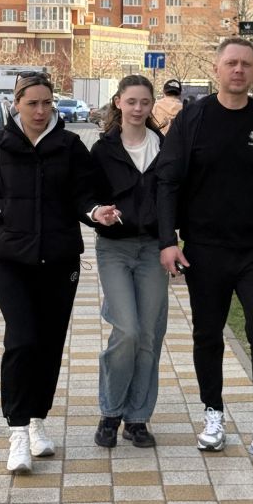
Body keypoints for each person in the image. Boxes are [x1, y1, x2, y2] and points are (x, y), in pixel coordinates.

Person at [156, 37, 253, 465]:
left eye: (247, 64)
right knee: (207, 334)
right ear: (216, 69)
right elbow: (167, 180)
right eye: (231, 63)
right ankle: (213, 414)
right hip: (204, 249)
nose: (239, 70)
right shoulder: (193, 117)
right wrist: (168, 240)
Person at [0, 71, 117, 473]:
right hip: (10, 259)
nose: (40, 110)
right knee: (22, 339)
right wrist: (4, 209)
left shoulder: (69, 146)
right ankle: (17, 431)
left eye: (46, 103)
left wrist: (95, 212)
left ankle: (37, 421)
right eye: (32, 103)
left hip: (60, 259)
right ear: (16, 104)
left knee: (49, 343)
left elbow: (84, 195)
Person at [90, 75, 167, 449]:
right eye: (131, 101)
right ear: (118, 102)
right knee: (128, 330)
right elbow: (86, 195)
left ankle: (137, 419)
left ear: (152, 106)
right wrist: (97, 213)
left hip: (153, 249)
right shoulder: (103, 149)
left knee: (149, 335)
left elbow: (175, 196)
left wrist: (173, 242)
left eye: (145, 102)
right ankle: (110, 411)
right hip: (115, 250)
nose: (138, 108)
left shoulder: (163, 147)